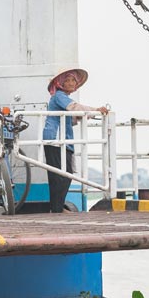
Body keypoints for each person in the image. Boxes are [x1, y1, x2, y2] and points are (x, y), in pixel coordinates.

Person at [43, 68, 108, 213]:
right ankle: (57, 208)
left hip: (63, 139)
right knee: (59, 176)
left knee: (65, 174)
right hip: (55, 138)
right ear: (60, 83)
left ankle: (57, 208)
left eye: (73, 80)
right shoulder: (59, 96)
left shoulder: (61, 97)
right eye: (68, 80)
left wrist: (86, 114)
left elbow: (73, 116)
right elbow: (74, 108)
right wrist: (96, 110)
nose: (72, 83)